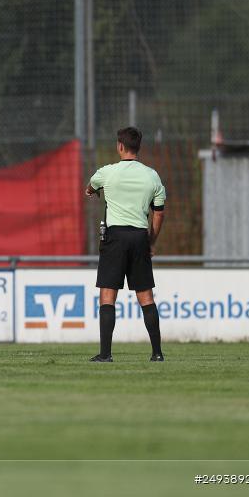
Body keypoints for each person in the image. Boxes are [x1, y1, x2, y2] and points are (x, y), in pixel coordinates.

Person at [85, 126, 166, 363]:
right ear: (138, 148)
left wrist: (95, 192)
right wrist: (151, 241)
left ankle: (106, 354)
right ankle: (157, 353)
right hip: (140, 236)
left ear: (120, 146)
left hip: (115, 237)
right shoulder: (152, 176)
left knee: (108, 296)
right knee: (146, 297)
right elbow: (159, 214)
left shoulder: (106, 173)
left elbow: (89, 189)